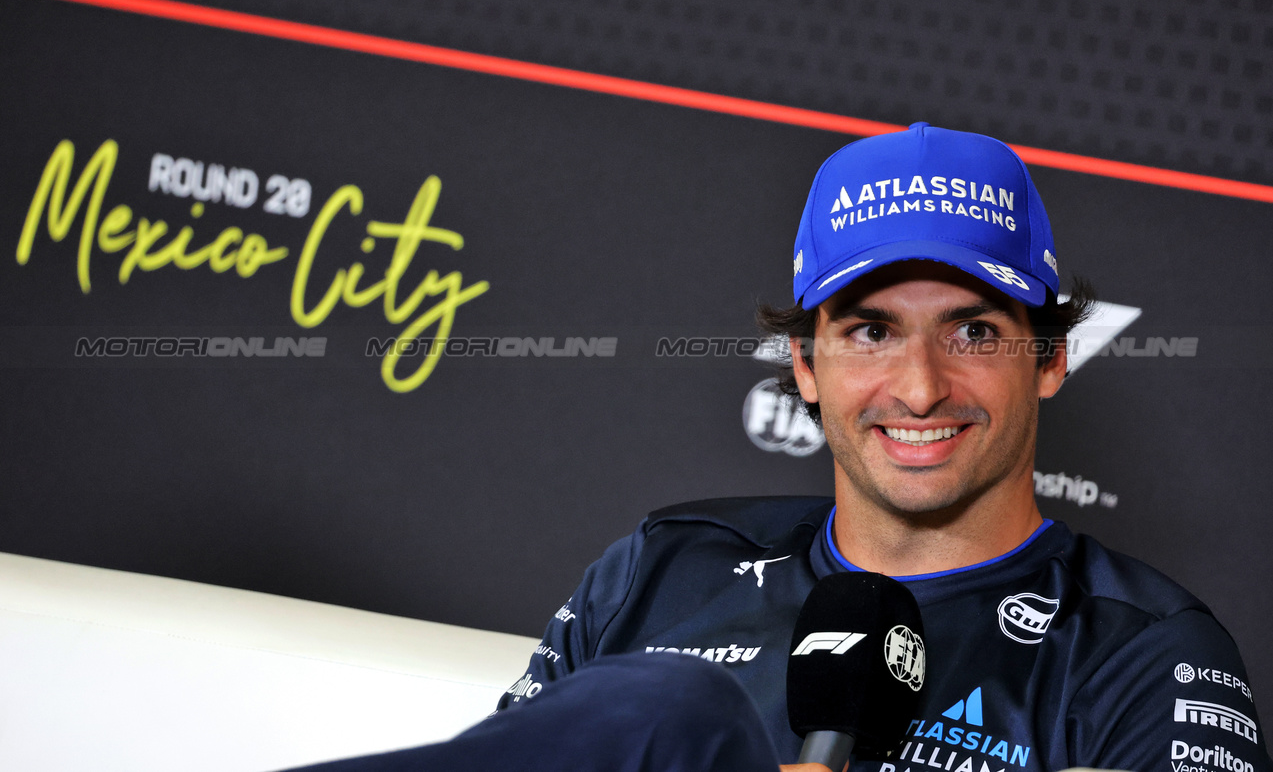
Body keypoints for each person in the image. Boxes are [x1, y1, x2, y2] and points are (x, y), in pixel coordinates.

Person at [493, 123, 1272, 770]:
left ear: (1049, 359)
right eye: (871, 332)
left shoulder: (1146, 656)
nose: (920, 388)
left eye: (973, 332)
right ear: (804, 364)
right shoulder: (655, 573)